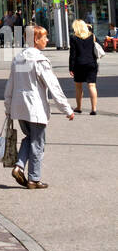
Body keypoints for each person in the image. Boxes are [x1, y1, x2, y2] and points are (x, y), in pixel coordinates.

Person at [5, 25, 73, 189]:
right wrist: (67, 108)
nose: (47, 40)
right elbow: (53, 85)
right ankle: (34, 179)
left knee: (30, 138)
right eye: (45, 37)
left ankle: (19, 166)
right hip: (35, 107)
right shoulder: (39, 60)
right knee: (38, 142)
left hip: (19, 107)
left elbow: (10, 84)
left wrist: (8, 106)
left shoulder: (19, 58)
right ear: (36, 39)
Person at [68, 19, 99, 115]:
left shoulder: (73, 37)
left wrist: (71, 68)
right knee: (92, 85)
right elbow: (99, 46)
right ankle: (94, 109)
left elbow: (72, 54)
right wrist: (90, 28)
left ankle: (79, 107)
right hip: (91, 63)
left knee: (78, 87)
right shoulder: (92, 36)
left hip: (79, 64)